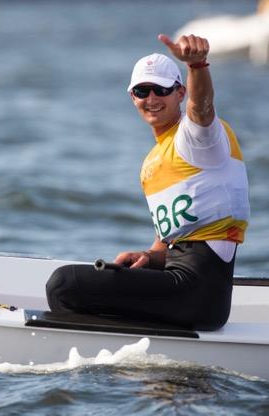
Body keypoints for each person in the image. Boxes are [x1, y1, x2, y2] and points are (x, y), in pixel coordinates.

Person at [45, 34, 250, 331]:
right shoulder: (152, 164)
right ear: (132, 97)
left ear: (179, 93)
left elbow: (202, 107)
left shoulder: (197, 138)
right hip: (178, 283)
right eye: (142, 90)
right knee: (73, 284)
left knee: (63, 284)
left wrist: (197, 65)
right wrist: (149, 257)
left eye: (161, 90)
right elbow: (165, 246)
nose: (151, 99)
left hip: (201, 294)